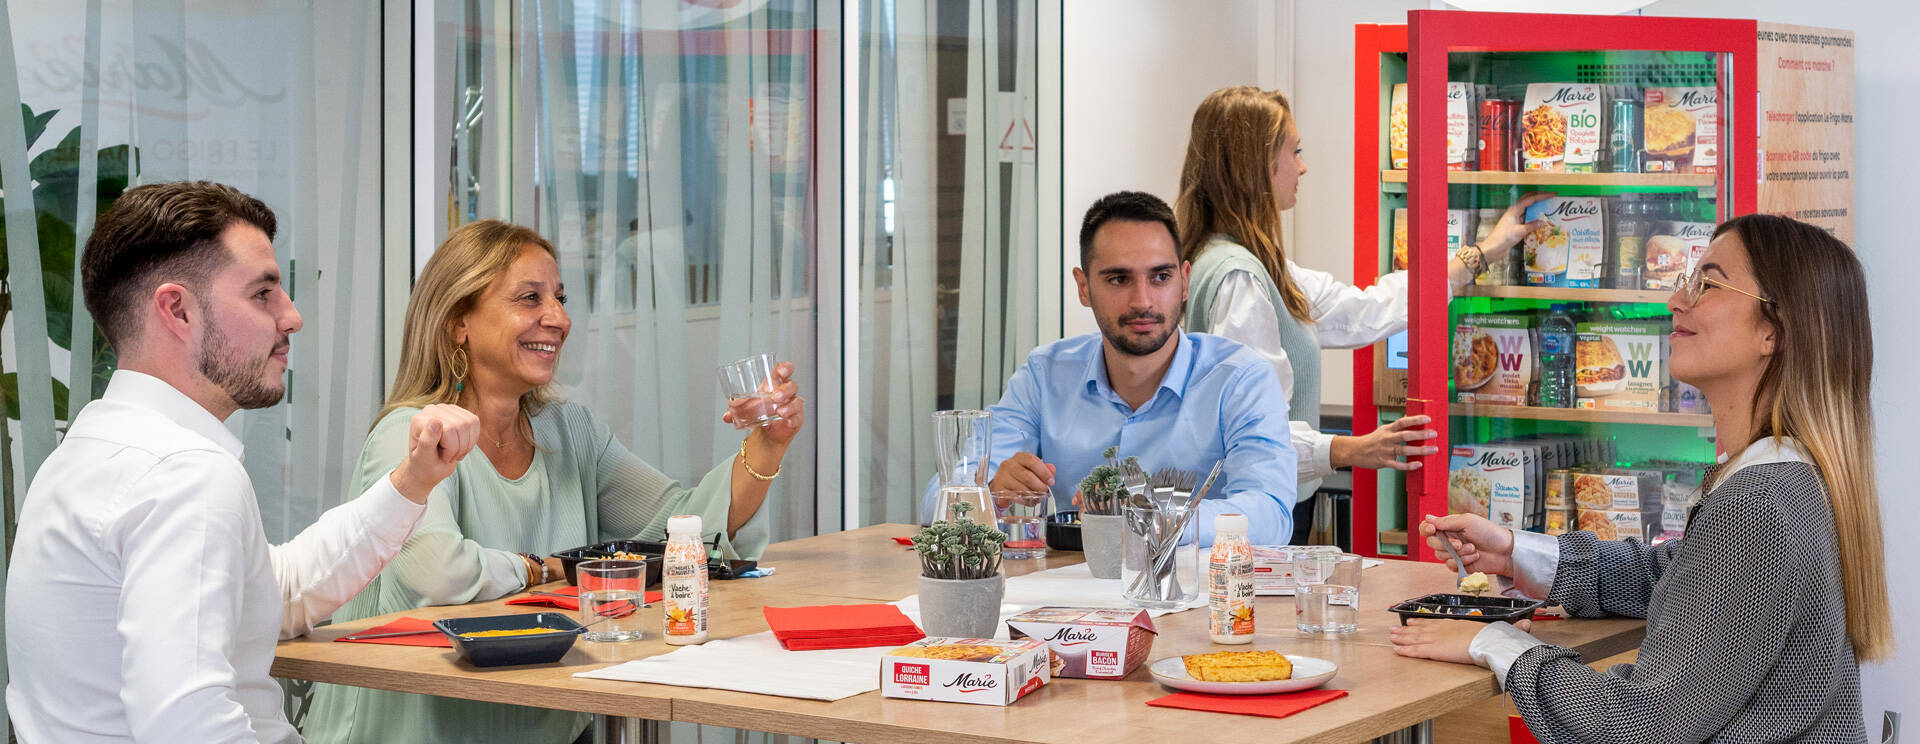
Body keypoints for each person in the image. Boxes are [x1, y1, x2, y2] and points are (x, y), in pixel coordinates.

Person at [4, 181, 481, 743]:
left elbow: (271, 595)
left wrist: (412, 481)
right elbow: (188, 724)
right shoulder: (185, 474)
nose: (292, 317)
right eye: (263, 294)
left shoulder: (93, 451)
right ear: (177, 309)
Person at [1390, 214, 1891, 742]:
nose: (1677, 301)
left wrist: (1494, 644)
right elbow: (1676, 576)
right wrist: (1515, 552)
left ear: (1775, 331)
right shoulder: (1787, 478)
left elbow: (1642, 724)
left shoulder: (1757, 506)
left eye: (1708, 283)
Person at [303, 219, 806, 744]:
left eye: (560, 298)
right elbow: (436, 571)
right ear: (458, 322)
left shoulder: (571, 431)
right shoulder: (408, 434)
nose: (559, 319)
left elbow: (685, 531)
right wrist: (541, 569)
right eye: (529, 298)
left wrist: (768, 443)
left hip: (546, 718)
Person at [1176, 86, 1549, 499]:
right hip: (1252, 512)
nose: (1302, 168)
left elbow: (1361, 310)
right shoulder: (1239, 278)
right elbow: (1256, 433)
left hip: (1261, 504)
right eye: (1294, 151)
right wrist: (1354, 449)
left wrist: (1483, 252)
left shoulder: (1243, 262)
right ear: (1256, 165)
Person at [923, 191, 1298, 546]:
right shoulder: (1045, 375)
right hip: (1063, 601)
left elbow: (1270, 514)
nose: (1143, 300)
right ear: (1083, 287)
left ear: (1184, 282)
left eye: (1161, 277)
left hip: (1191, 603)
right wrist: (990, 495)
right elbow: (935, 502)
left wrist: (1153, 517)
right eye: (1119, 279)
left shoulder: (1240, 378)